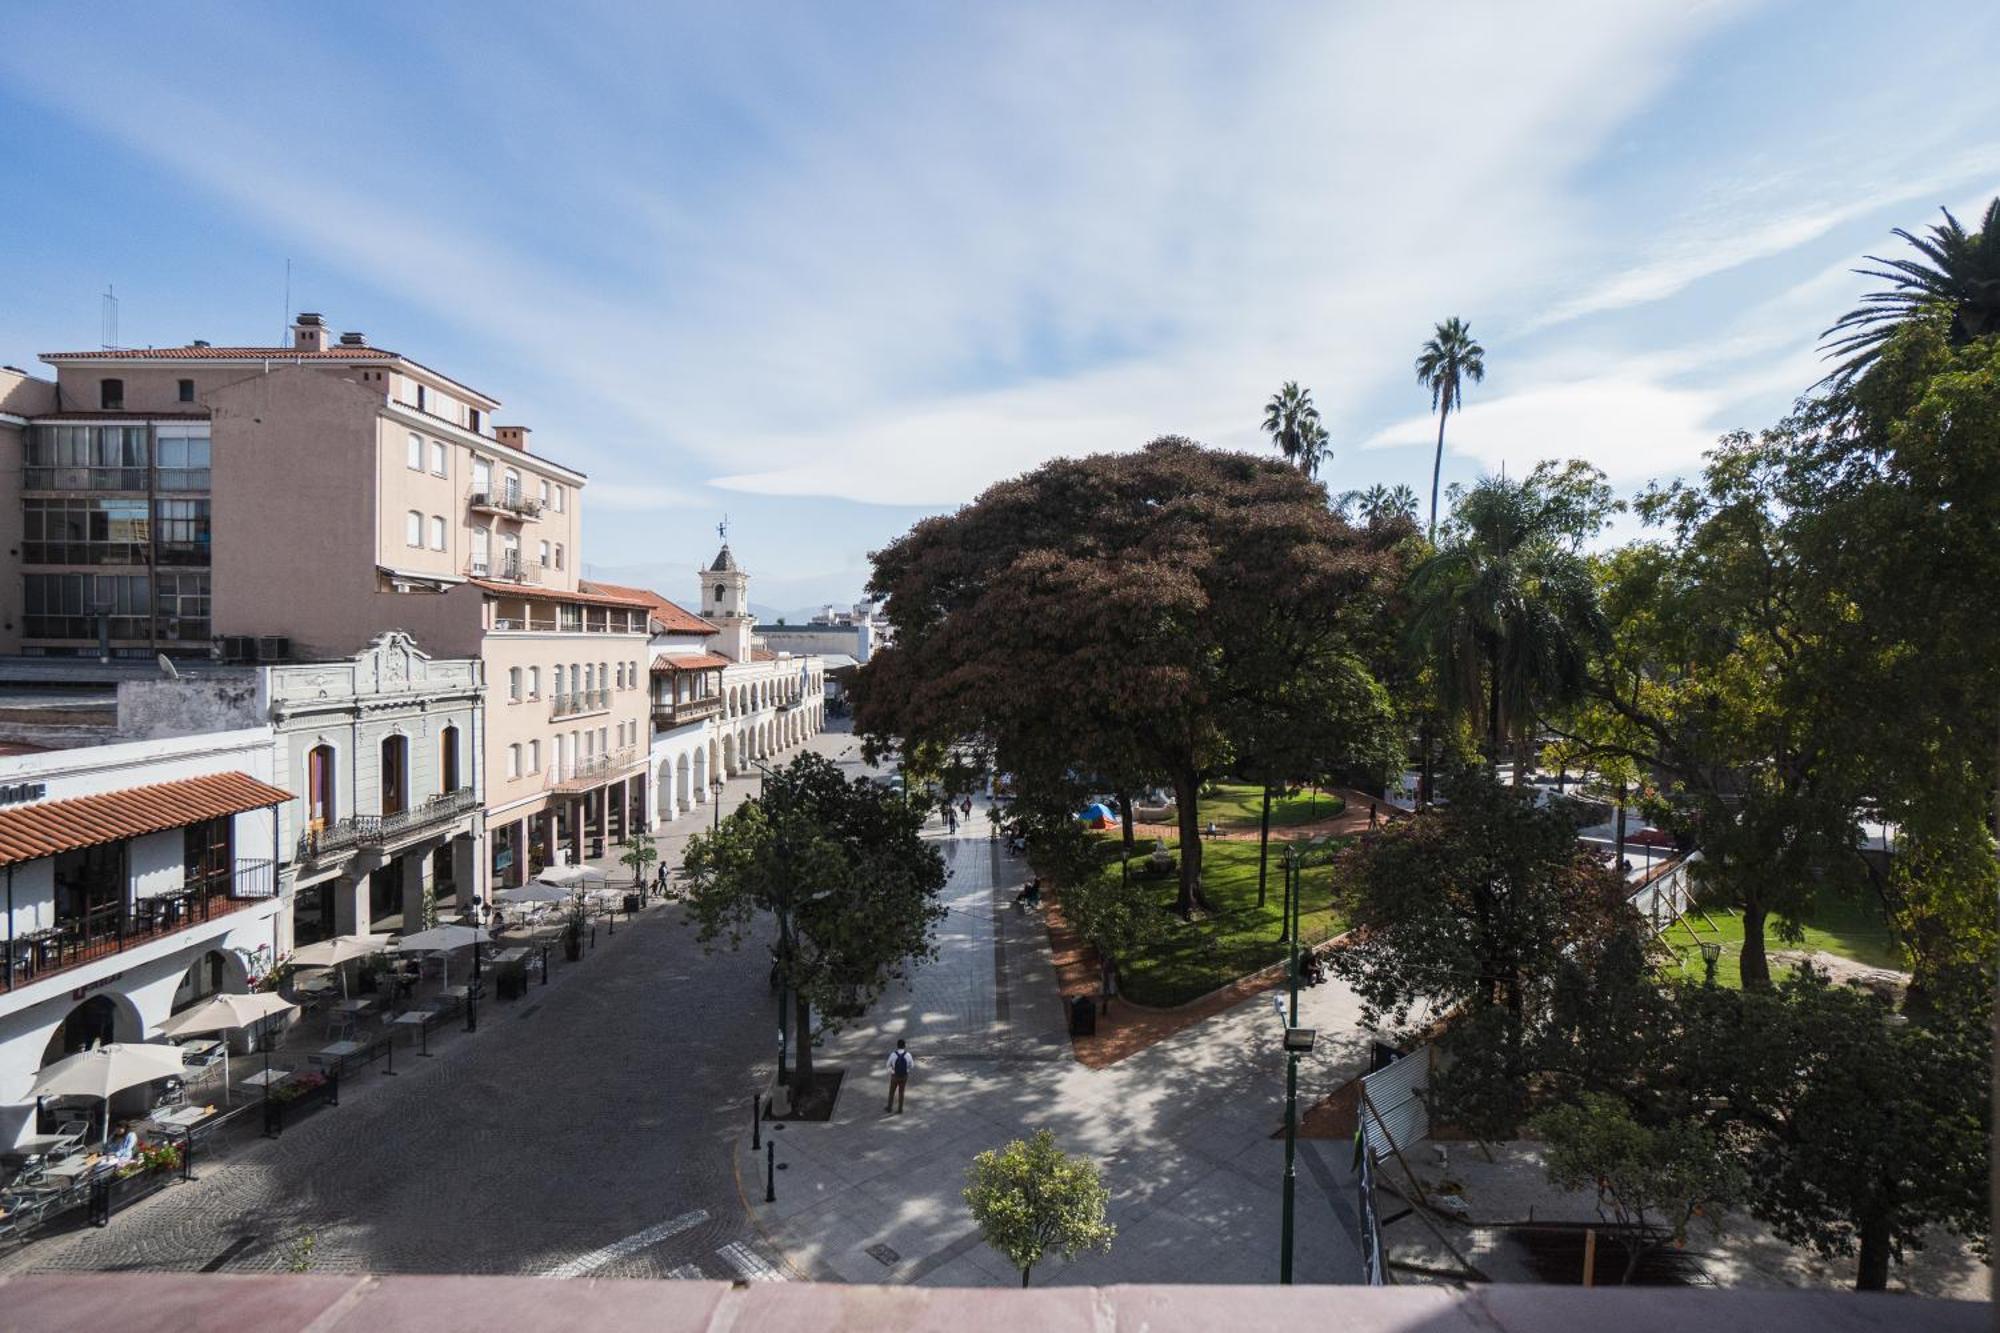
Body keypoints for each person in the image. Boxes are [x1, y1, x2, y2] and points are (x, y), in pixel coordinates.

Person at [884, 1039, 914, 1113]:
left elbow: (887, 1065)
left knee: (892, 1092)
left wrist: (892, 1070)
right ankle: (900, 1109)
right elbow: (912, 1065)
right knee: (901, 1092)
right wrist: (907, 1069)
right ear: (904, 1046)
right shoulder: (908, 1055)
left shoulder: (893, 1054)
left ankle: (889, 1108)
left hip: (895, 1076)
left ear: (897, 1046)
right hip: (904, 1076)